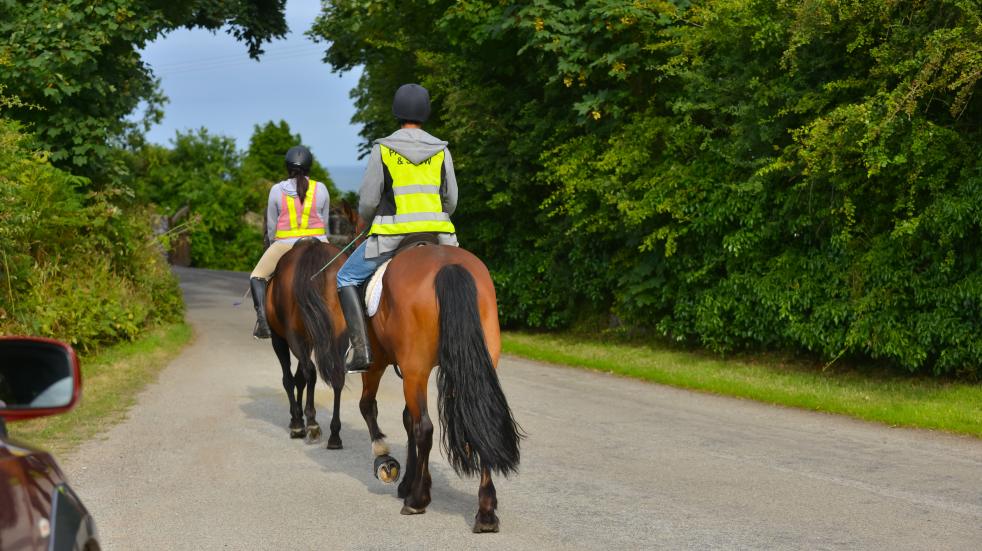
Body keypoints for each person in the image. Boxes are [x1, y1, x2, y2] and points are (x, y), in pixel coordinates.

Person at [337, 83, 459, 373]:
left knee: (345, 278)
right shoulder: (442, 150)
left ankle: (362, 350)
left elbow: (367, 201)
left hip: (392, 236)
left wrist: (369, 219)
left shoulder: (384, 149)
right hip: (438, 236)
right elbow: (451, 200)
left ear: (396, 112)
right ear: (426, 113)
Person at [249, 145, 331, 339]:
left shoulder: (277, 190)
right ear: (310, 167)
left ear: (288, 167)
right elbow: (325, 222)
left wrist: (271, 245)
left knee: (257, 276)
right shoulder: (322, 189)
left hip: (285, 244)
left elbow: (271, 226)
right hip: (319, 242)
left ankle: (263, 323)